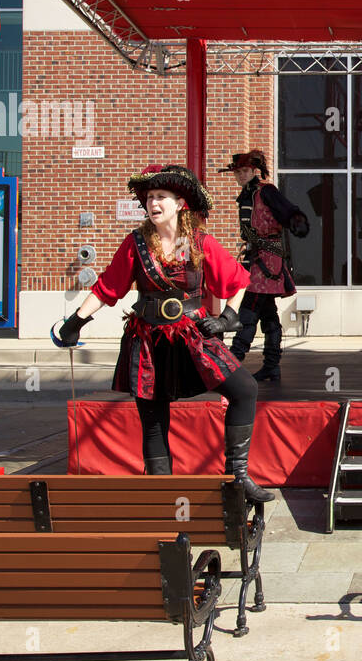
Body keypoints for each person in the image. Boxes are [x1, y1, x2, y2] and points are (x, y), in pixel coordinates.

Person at [53, 164, 274, 503]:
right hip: (147, 338)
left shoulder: (199, 242)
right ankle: (162, 495)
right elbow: (107, 288)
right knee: (154, 418)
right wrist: (75, 323)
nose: (153, 203)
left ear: (179, 203)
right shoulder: (136, 243)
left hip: (193, 334)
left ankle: (237, 478)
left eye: (161, 197)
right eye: (150, 198)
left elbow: (238, 280)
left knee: (244, 388)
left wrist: (228, 317)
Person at [220, 150, 309, 381]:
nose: (240, 176)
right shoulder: (247, 195)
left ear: (253, 171)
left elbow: (287, 211)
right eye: (237, 172)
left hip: (268, 257)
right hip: (256, 256)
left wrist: (296, 221)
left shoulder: (266, 191)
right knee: (268, 315)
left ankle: (232, 363)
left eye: (244, 171)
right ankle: (272, 366)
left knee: (249, 309)